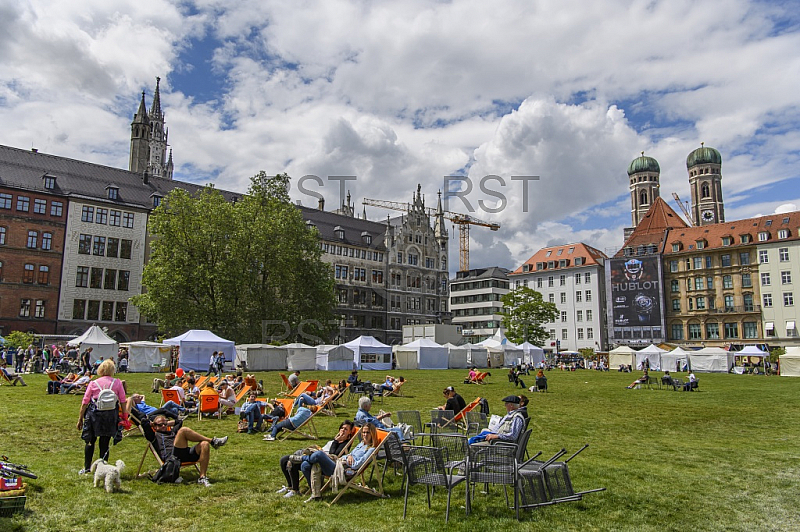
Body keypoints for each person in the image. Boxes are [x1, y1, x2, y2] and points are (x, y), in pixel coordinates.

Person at [141, 414, 227, 486]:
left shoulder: (172, 432)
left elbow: (179, 421)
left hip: (183, 453)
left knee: (204, 444)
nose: (163, 426)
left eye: (165, 424)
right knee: (183, 431)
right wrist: (153, 424)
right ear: (155, 426)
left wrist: (165, 423)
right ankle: (212, 441)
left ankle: (202, 478)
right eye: (160, 425)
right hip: (172, 457)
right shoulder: (154, 436)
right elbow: (144, 422)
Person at [277, 420, 356, 499]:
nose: (343, 430)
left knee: (293, 462)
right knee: (283, 460)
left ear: (349, 432)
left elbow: (333, 455)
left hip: (320, 462)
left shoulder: (344, 444)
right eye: (342, 428)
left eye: (346, 429)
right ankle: (290, 486)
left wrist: (336, 441)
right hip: (314, 456)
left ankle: (295, 490)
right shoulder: (335, 440)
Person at [300, 422, 378, 501]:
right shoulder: (361, 444)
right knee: (305, 465)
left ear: (372, 434)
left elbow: (357, 465)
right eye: (363, 432)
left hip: (342, 470)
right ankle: (316, 494)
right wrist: (349, 456)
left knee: (319, 454)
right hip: (339, 462)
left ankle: (301, 458)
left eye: (367, 432)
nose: (365, 434)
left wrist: (347, 460)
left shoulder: (371, 450)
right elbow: (347, 455)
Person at [77, 359, 126, 475]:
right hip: (110, 415)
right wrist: (124, 417)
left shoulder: (93, 383)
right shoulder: (117, 382)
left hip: (94, 415)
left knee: (90, 441)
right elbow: (123, 401)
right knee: (105, 443)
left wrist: (80, 418)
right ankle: (103, 468)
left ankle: (87, 468)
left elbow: (85, 402)